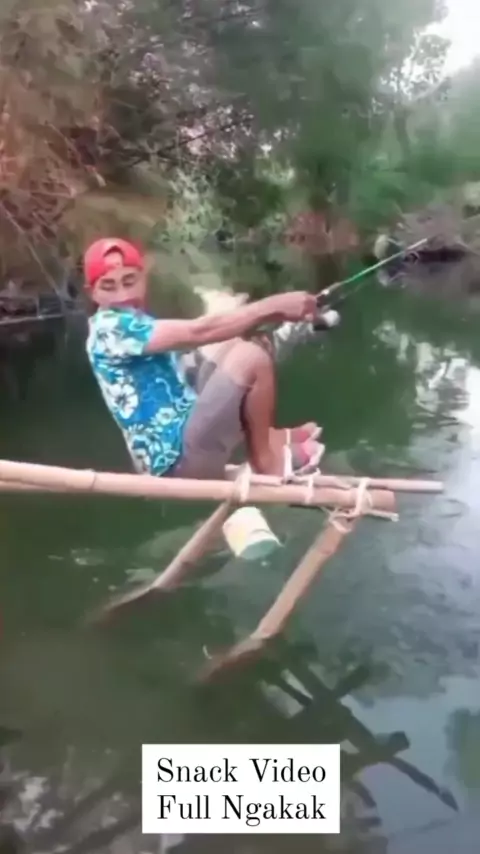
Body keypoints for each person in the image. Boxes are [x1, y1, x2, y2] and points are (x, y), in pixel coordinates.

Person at [83, 237, 323, 480]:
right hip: (177, 464)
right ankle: (267, 462)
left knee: (236, 345)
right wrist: (274, 306)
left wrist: (251, 323)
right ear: (92, 293)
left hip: (183, 440)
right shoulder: (109, 328)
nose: (123, 295)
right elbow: (198, 332)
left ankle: (267, 438)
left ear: (143, 278)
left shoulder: (135, 321)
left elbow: (192, 357)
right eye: (108, 287)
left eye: (129, 281)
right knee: (251, 358)